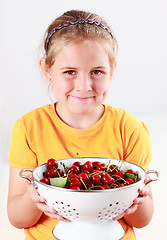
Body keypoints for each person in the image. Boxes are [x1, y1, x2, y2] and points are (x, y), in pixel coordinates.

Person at [7, 9, 153, 240]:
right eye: (70, 72)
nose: (84, 86)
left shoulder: (130, 128)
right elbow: (17, 218)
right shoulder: (29, 127)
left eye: (97, 71)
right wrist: (32, 198)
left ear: (112, 70)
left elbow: (142, 220)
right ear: (47, 70)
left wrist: (137, 198)